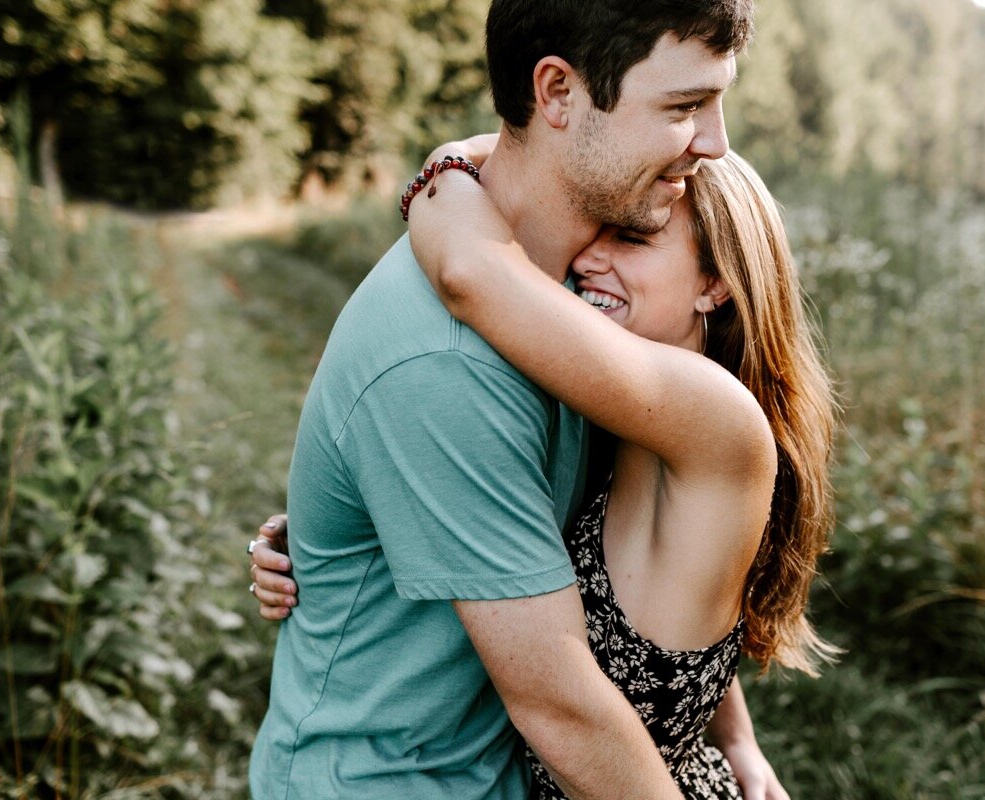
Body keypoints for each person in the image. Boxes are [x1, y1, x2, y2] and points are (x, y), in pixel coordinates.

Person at [247, 1, 756, 799]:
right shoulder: (443, 363)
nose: (716, 141)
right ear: (556, 92)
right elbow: (563, 714)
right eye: (684, 107)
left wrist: (445, 168)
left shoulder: (572, 293)